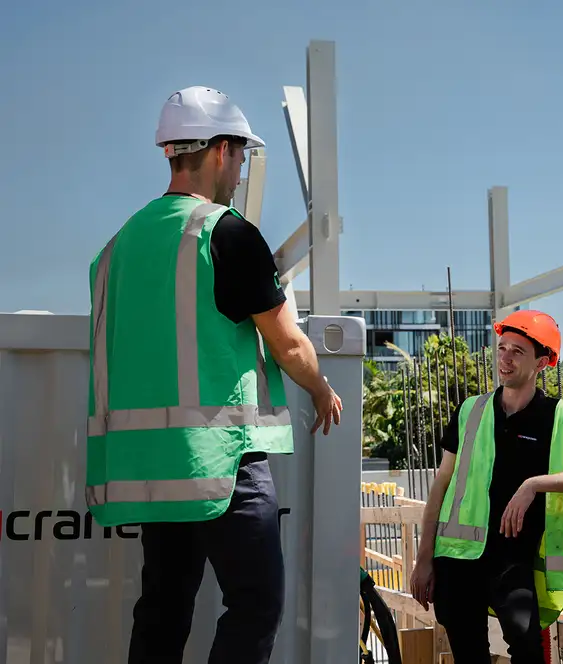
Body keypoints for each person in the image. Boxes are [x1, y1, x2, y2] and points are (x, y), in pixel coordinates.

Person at [84, 86, 343, 664]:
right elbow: (286, 343)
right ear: (221, 149)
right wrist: (321, 387)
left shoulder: (117, 247)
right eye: (242, 154)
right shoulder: (223, 233)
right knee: (256, 602)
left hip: (149, 468)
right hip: (219, 458)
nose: (242, 167)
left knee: (162, 608)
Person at [409, 310, 563, 663]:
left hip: (512, 558)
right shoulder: (471, 410)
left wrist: (533, 484)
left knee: (527, 649)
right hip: (457, 557)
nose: (505, 359)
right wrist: (423, 557)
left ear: (543, 362)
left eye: (518, 351)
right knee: (469, 655)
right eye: (502, 348)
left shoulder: (559, 417)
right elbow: (441, 485)